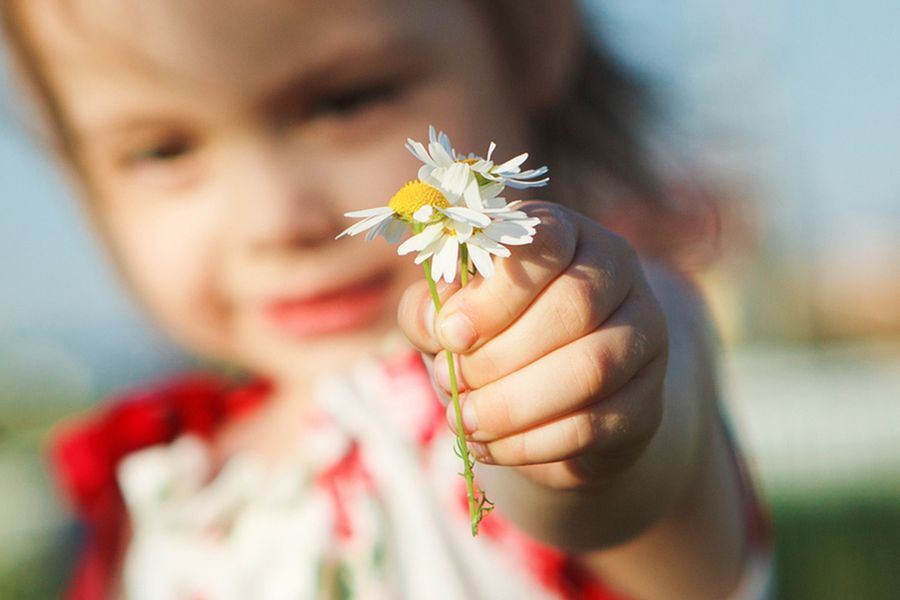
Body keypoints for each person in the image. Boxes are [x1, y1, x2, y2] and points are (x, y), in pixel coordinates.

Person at [1, 1, 771, 598]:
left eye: (344, 103)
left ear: (532, 33)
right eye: (163, 148)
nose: (278, 220)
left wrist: (582, 411)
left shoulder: (564, 346)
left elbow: (611, 475)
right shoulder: (153, 489)